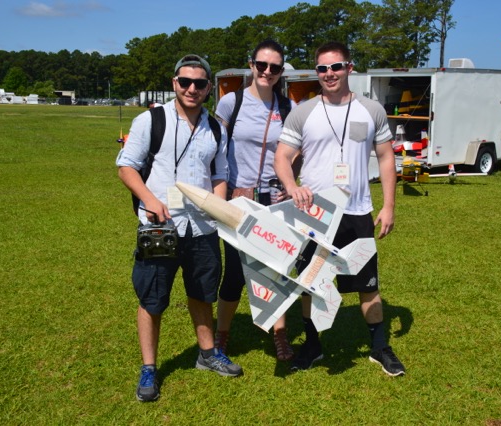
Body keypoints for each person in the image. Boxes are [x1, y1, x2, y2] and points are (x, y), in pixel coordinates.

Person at [274, 42, 406, 377]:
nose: (329, 74)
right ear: (316, 72)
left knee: (368, 284)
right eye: (322, 69)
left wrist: (388, 205)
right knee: (311, 282)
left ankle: (379, 347)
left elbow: (387, 157)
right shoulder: (303, 112)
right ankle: (313, 345)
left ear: (349, 67)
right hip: (314, 215)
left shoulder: (371, 110)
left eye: (336, 67)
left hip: (358, 212)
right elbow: (282, 157)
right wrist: (292, 187)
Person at [116, 54, 242, 403]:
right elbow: (126, 166)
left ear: (208, 89)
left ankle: (207, 353)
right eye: (185, 82)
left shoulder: (216, 128)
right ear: (174, 83)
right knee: (152, 298)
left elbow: (220, 174)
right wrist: (149, 200)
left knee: (203, 293)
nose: (192, 89)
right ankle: (149, 367)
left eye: (200, 84)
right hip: (160, 226)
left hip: (201, 228)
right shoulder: (150, 121)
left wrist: (217, 205)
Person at [214, 40, 296, 362]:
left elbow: (292, 153)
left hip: (274, 199)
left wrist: (291, 185)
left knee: (276, 268)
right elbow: (215, 151)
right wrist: (228, 189)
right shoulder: (229, 104)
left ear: (280, 71)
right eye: (262, 65)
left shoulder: (287, 108)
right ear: (251, 65)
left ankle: (279, 335)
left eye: (274, 67)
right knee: (234, 271)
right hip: (238, 198)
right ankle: (222, 335)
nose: (267, 72)